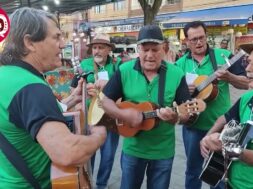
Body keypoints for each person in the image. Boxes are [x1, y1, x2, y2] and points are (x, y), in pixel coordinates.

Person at [0, 7, 106, 189]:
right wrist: (98, 135)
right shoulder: (30, 87)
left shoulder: (7, 76)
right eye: (56, 37)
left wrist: (72, 99)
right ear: (30, 42)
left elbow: (24, 117)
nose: (63, 44)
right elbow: (68, 152)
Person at [101, 25, 193, 189]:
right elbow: (105, 101)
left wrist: (176, 117)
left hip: (163, 151)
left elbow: (187, 113)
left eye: (155, 49)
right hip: (132, 149)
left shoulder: (176, 74)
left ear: (163, 49)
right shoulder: (124, 70)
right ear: (138, 50)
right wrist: (124, 115)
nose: (150, 55)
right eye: (145, 49)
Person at [175, 21, 249, 189]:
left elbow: (247, 83)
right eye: (194, 39)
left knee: (218, 172)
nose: (199, 42)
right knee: (192, 171)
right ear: (186, 41)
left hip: (222, 128)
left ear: (206, 36)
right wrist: (184, 90)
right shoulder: (180, 65)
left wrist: (231, 78)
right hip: (193, 126)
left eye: (201, 37)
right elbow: (172, 96)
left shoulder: (224, 55)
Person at [71, 33, 122, 189]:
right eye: (94, 47)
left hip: (110, 117)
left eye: (101, 47)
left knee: (107, 156)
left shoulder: (118, 65)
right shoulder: (83, 65)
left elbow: (125, 91)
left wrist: (110, 86)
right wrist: (85, 92)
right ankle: (88, 182)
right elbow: (73, 90)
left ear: (108, 49)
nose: (97, 51)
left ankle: (101, 185)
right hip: (89, 117)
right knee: (88, 153)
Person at [200, 42, 253, 189]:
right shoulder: (247, 98)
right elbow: (224, 119)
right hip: (231, 182)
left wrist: (229, 149)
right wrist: (206, 138)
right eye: (248, 62)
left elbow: (233, 150)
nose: (247, 69)